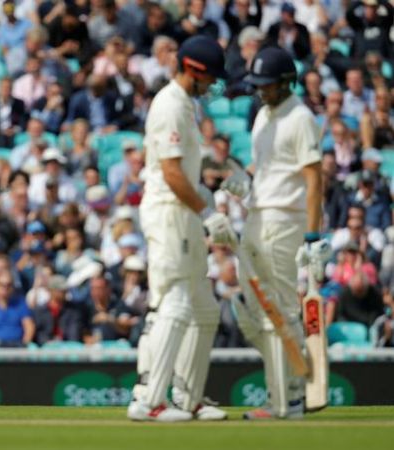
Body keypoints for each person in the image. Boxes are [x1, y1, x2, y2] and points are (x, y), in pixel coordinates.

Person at [126, 35, 230, 423]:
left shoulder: (186, 106)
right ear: (194, 71)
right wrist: (207, 213)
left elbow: (185, 172)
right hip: (170, 213)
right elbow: (170, 174)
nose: (215, 85)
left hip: (184, 211)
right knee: (175, 302)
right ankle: (149, 401)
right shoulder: (169, 104)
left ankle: (189, 398)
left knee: (204, 310)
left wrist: (212, 203)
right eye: (212, 77)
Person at [222, 47, 326, 420]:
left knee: (278, 310)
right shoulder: (264, 115)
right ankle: (286, 389)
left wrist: (313, 237)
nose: (261, 92)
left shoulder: (300, 118)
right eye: (258, 85)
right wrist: (244, 179)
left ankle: (289, 400)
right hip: (256, 215)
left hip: (286, 220)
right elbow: (266, 164)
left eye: (267, 86)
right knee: (251, 311)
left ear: (286, 83)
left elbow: (314, 181)